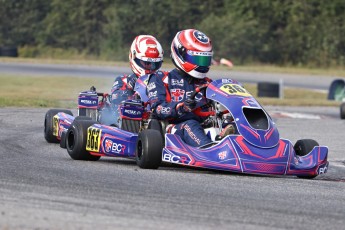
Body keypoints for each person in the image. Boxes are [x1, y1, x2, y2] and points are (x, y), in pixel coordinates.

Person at [147, 29, 234, 147]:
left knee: (234, 123)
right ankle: (209, 151)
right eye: (197, 59)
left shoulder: (208, 83)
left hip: (206, 125)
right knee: (190, 125)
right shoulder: (161, 78)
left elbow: (220, 107)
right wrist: (181, 107)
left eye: (204, 60)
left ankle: (238, 147)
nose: (201, 65)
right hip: (174, 128)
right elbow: (157, 109)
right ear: (181, 54)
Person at [100, 35, 164, 126]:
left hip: (153, 119)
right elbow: (116, 99)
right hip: (125, 121)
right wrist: (129, 89)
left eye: (155, 64)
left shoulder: (161, 80)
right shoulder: (124, 80)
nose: (150, 67)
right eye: (147, 63)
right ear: (134, 58)